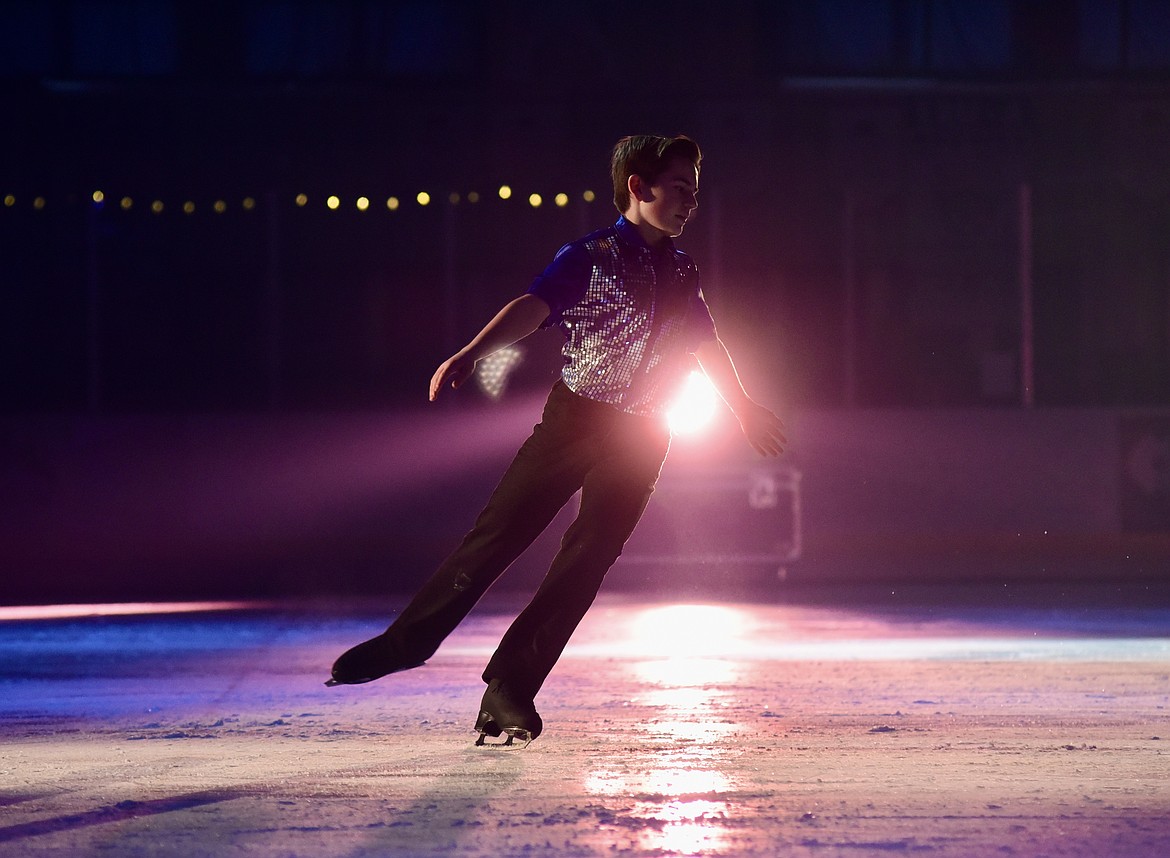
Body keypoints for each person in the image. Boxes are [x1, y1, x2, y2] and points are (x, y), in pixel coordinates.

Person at [327, 134, 786, 747]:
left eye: (695, 191)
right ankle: (406, 643)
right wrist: (473, 351)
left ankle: (511, 689)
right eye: (680, 188)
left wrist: (745, 407)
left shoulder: (682, 270)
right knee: (499, 534)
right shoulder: (589, 255)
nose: (691, 202)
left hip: (647, 432)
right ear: (638, 188)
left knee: (587, 559)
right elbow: (534, 305)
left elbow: (705, 342)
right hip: (577, 420)